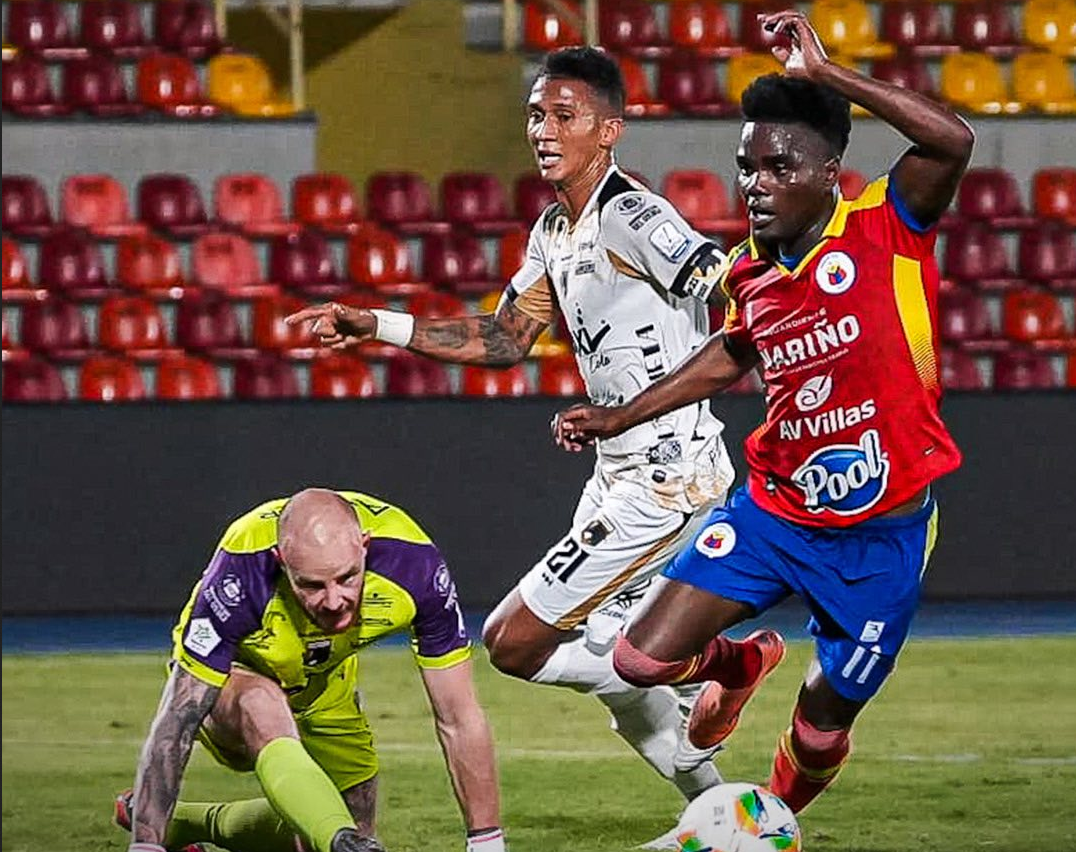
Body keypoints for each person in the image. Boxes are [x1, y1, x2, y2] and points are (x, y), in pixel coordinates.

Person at [287, 46, 747, 842]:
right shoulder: (555, 229)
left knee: (515, 642)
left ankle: (722, 663)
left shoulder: (634, 219)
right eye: (536, 115)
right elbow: (504, 338)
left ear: (610, 130)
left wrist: (633, 411)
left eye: (565, 116)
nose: (543, 130)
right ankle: (728, 817)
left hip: (669, 478)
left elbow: (737, 294)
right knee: (622, 683)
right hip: (619, 473)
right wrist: (377, 324)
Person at [553, 10, 973, 815]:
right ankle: (739, 664)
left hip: (880, 536)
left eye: (779, 167)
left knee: (820, 727)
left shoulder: (887, 226)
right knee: (639, 660)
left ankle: (765, 825)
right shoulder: (749, 270)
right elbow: (733, 350)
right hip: (775, 513)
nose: (756, 184)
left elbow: (954, 141)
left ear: (829, 174)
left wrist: (826, 74)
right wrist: (622, 416)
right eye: (747, 167)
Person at [117, 488, 504, 852]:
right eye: (312, 585)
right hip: (237, 675)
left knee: (347, 828)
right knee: (262, 706)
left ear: (364, 546)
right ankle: (328, 833)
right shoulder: (241, 569)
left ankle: (186, 823)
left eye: (347, 578)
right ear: (281, 562)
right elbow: (177, 721)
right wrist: (145, 845)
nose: (334, 601)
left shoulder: (414, 566)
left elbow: (459, 717)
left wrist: (488, 845)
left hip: (324, 681)